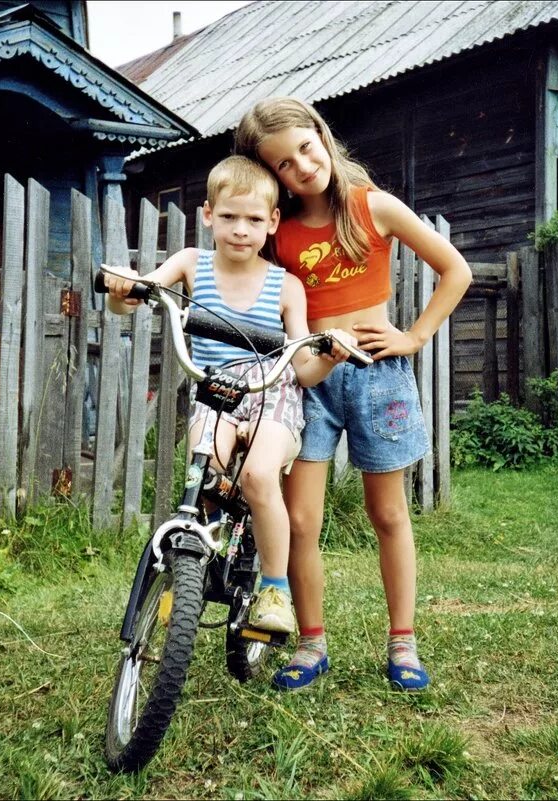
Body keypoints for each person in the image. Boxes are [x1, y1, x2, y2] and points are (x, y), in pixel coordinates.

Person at [234, 97, 473, 690]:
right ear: (272, 174)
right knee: (300, 518)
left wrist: (414, 336)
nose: (301, 166)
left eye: (305, 149)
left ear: (321, 134)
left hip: (377, 375)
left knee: (387, 513)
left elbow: (456, 270)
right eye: (283, 164)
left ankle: (403, 642)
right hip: (307, 380)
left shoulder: (374, 207)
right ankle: (311, 644)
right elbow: (244, 278)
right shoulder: (278, 232)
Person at [103, 155, 357, 635]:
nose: (241, 229)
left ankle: (275, 589)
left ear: (272, 223)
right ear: (207, 215)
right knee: (207, 472)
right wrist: (122, 289)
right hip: (216, 388)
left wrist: (330, 354)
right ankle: (194, 567)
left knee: (260, 477)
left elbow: (303, 370)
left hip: (272, 391)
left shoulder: (286, 286)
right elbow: (138, 295)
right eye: (229, 217)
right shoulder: (190, 264)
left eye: (255, 220)